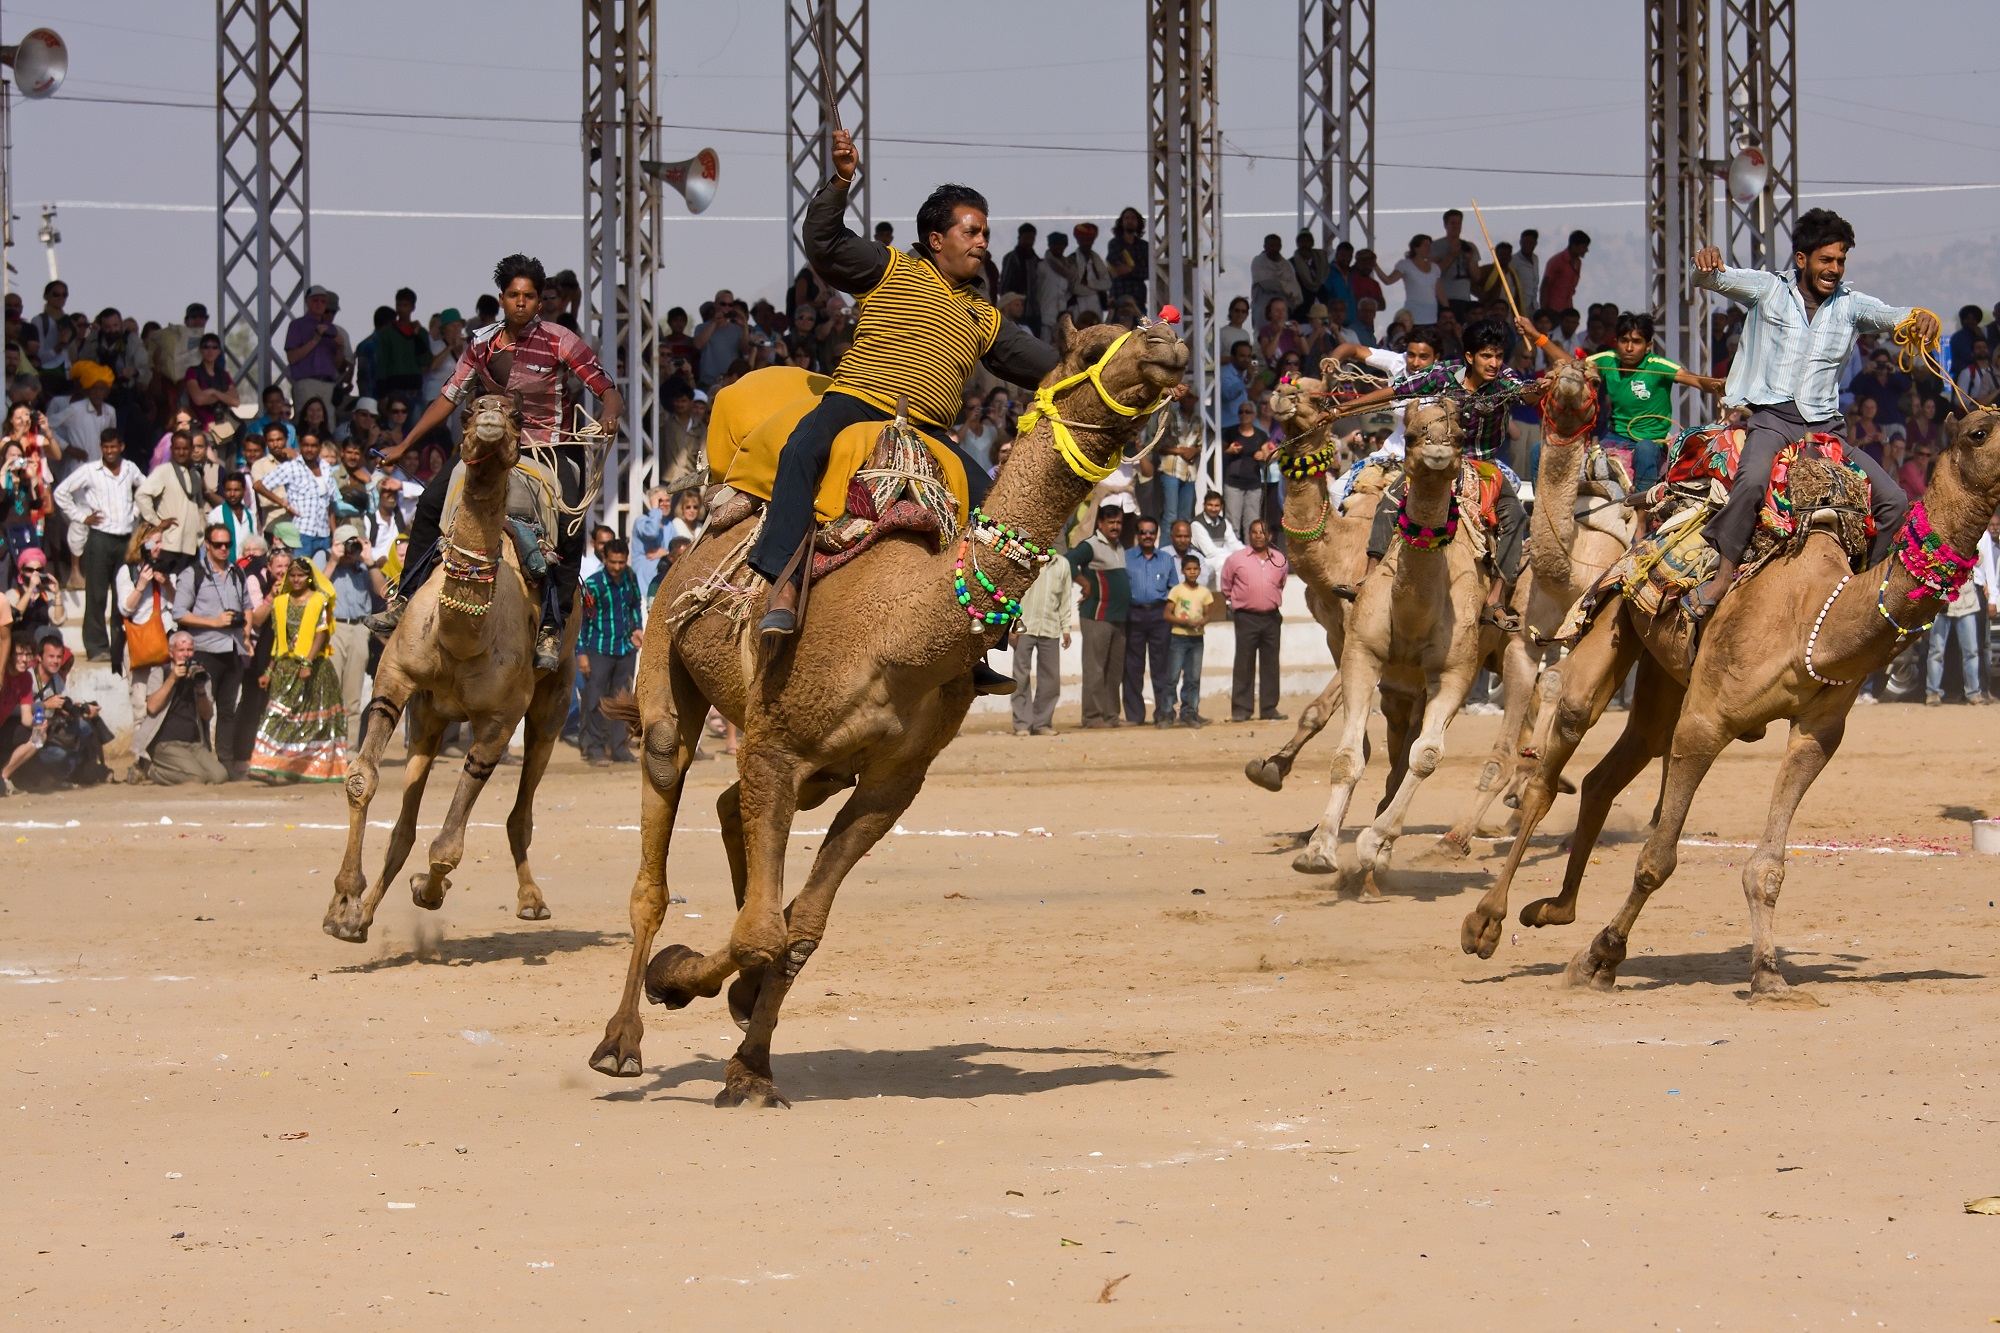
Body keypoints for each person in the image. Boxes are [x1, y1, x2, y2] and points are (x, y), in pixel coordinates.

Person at [749, 129, 1056, 664]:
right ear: (936, 238)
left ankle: (979, 638)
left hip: (930, 434)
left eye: (986, 232)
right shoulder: (889, 265)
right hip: (855, 404)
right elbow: (823, 243)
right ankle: (782, 584)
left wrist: (1120, 366)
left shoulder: (983, 316)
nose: (984, 241)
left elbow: (1050, 367)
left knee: (995, 510)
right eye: (973, 231)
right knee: (803, 447)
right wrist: (842, 179)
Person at [372, 253, 622, 674]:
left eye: (529, 296)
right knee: (432, 502)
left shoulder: (562, 340)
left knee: (571, 527)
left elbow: (606, 388)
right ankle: (405, 598)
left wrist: (610, 415)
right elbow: (449, 396)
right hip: (491, 447)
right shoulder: (481, 344)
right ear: (501, 299)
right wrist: (404, 443)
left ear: (539, 301)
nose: (521, 302)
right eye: (513, 295)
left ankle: (551, 626)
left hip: (552, 447)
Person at [1689, 209, 1933, 617]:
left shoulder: (1852, 307)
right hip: (1772, 421)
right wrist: (1705, 260)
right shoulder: (1768, 289)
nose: (1834, 269)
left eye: (1840, 261)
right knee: (1750, 483)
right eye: (1826, 260)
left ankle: (1865, 592)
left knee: (1893, 500)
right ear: (1801, 260)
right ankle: (1723, 574)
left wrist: (1919, 317)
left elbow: (1896, 318)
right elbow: (1711, 279)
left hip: (1827, 431)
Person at [1331, 317, 1548, 629]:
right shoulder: (1443, 374)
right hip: (1443, 463)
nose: (1494, 363)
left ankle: (1495, 599)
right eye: (1487, 356)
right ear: (1470, 357)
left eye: (1498, 356)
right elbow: (1397, 391)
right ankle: (1368, 577)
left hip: (1485, 468)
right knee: (1389, 500)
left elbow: (1528, 394)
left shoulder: (1506, 380)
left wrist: (1539, 375)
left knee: (1515, 516)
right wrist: (1342, 410)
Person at [1584, 313, 1726, 488]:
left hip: (1651, 442)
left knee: (1645, 449)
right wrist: (1540, 339)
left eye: (1636, 342)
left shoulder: (1658, 365)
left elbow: (1696, 380)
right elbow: (1571, 365)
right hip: (1615, 437)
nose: (1629, 347)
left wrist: (1721, 385)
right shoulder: (1608, 359)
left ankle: (1642, 506)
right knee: (1588, 461)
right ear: (1616, 341)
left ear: (1648, 345)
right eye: (1624, 340)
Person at [247, 554, 345, 783]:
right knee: (275, 714)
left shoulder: (318, 600)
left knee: (312, 722)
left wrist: (308, 662)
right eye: (293, 575)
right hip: (284, 668)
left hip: (313, 668)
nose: (297, 579)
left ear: (309, 577)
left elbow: (322, 633)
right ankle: (263, 765)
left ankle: (306, 768)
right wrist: (269, 671)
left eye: (301, 575)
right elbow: (279, 640)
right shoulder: (281, 602)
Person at [173, 522, 256, 777]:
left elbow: (247, 606)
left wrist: (246, 635)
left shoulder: (237, 573)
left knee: (228, 709)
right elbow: (179, 613)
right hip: (205, 648)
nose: (223, 549)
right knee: (204, 709)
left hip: (232, 648)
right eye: (218, 544)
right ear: (207, 545)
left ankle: (226, 762)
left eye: (227, 545)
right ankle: (205, 761)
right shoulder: (192, 574)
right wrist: (214, 622)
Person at [53, 429, 143, 661]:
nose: (110, 451)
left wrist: (135, 512)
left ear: (121, 446)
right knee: (96, 593)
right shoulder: (90, 471)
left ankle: (119, 644)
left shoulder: (130, 468)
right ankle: (96, 646)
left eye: (113, 447)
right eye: (105, 447)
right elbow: (61, 492)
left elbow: (147, 489)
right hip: (100, 538)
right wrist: (82, 516)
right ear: (101, 447)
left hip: (125, 539)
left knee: (123, 592)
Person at [2, 628, 108, 793]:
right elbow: (16, 712)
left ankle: (4, 778)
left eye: (59, 657)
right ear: (39, 657)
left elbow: (25, 717)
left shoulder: (29, 679)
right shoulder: (9, 675)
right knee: (56, 753)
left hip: (37, 729)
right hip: (9, 727)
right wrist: (45, 705)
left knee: (78, 729)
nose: (23, 660)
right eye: (19, 654)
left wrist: (40, 724)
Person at [128, 630, 228, 786]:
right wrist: (173, 678)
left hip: (194, 743)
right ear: (171, 652)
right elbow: (152, 707)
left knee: (219, 776)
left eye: (189, 650)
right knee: (196, 778)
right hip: (166, 742)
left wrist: (200, 689)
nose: (186, 654)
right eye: (181, 650)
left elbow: (207, 715)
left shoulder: (201, 675)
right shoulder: (160, 672)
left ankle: (175, 769)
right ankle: (151, 770)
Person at [576, 537, 643, 766]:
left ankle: (619, 748)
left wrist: (637, 628)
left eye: (621, 562)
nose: (617, 567)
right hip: (598, 649)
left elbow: (635, 603)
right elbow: (581, 621)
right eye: (613, 562)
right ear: (605, 559)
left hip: (625, 649)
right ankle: (593, 748)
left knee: (621, 702)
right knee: (594, 700)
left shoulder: (630, 577)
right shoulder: (593, 584)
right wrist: (581, 652)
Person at [319, 523, 386, 749]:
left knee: (353, 695)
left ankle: (348, 749)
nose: (350, 550)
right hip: (333, 628)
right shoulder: (325, 562)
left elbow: (383, 591)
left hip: (359, 628)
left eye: (353, 544)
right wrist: (333, 561)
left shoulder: (364, 567)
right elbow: (315, 594)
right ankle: (328, 750)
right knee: (331, 691)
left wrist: (369, 561)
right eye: (346, 544)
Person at [1065, 504, 1131, 729]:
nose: (1115, 526)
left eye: (1119, 522)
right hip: (1097, 615)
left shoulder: (1120, 546)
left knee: (1114, 671)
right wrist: (1083, 583)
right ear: (1100, 523)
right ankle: (1092, 717)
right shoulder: (1090, 545)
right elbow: (1067, 561)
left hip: (1119, 618)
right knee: (1095, 669)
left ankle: (1111, 716)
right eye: (1111, 522)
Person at [1221, 520, 1287, 723]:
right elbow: (1226, 584)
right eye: (1254, 532)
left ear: (1270, 536)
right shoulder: (1236, 559)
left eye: (1263, 532)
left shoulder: (1279, 559)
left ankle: (1269, 708)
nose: (1259, 535)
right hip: (1246, 617)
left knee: (1270, 664)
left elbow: (1281, 584)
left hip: (1271, 618)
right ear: (1249, 535)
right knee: (1244, 663)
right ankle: (1241, 709)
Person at [1123, 516, 1177, 727]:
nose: (1147, 536)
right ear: (1138, 535)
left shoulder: (1166, 559)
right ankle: (1135, 715)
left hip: (1159, 615)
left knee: (1161, 666)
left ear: (1156, 534)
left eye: (1151, 532)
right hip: (1133, 614)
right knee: (1133, 667)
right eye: (1143, 532)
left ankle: (1163, 712)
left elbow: (1174, 588)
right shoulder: (1126, 557)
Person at [1010, 553, 1072, 736]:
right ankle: (1022, 724)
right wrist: (1012, 625)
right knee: (1020, 677)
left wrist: (1066, 628)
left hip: (1051, 627)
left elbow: (1065, 598)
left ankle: (1042, 723)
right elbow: (1014, 594)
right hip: (1024, 627)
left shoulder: (1062, 564)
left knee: (1051, 679)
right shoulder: (1024, 560)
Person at [255, 431, 339, 560]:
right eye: (306, 445)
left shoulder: (326, 467)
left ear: (319, 447)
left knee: (321, 577)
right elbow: (259, 486)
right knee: (300, 574)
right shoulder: (291, 467)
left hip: (324, 534)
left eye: (314, 446)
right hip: (302, 533)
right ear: (300, 446)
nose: (309, 449)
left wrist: (334, 534)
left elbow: (330, 504)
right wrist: (282, 502)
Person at [135, 428, 208, 574]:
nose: (181, 452)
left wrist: (201, 533)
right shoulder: (163, 471)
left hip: (191, 545)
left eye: (185, 449)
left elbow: (199, 508)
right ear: (171, 449)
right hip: (169, 543)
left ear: (191, 449)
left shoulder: (195, 475)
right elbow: (141, 495)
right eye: (177, 449)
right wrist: (157, 522)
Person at [283, 285, 349, 418]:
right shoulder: (297, 325)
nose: (319, 304)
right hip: (307, 382)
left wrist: (341, 347)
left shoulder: (331, 329)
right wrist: (315, 340)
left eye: (323, 301)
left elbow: (337, 364)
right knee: (306, 423)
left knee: (328, 424)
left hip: (328, 384)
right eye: (315, 300)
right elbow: (292, 358)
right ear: (307, 302)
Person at [1164, 552, 1213, 726]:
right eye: (1188, 569)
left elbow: (1208, 614)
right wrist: (1184, 622)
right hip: (1179, 637)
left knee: (1193, 678)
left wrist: (1201, 622)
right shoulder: (1177, 591)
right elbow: (1167, 614)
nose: (1192, 572)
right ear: (1183, 571)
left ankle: (1190, 712)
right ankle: (1167, 713)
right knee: (1172, 677)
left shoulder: (1204, 592)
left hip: (1197, 639)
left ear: (1199, 571)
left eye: (1195, 569)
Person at [1221, 403, 1274, 545]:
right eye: (1241, 412)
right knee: (1232, 522)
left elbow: (1269, 455)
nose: (1244, 414)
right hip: (1233, 483)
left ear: (1254, 415)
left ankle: (1251, 553)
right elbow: (1218, 454)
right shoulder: (1230, 432)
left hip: (1253, 483)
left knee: (1252, 522)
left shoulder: (1260, 435)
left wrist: (1262, 455)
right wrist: (1229, 451)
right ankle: (1232, 553)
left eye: (1247, 412)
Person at [1376, 236, 1443, 327]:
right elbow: (1388, 280)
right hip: (1413, 315)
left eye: (1429, 246)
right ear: (1416, 248)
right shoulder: (1405, 264)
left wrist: (1447, 309)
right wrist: (1375, 265)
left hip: (1432, 315)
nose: (1429, 248)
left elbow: (1440, 292)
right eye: (1425, 245)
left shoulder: (1435, 268)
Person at [5, 548, 65, 638]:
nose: (35, 574)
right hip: (21, 644)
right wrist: (30, 589)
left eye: (39, 570)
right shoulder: (13, 594)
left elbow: (58, 621)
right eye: (29, 570)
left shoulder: (47, 596)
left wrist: (57, 594)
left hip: (41, 643)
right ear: (21, 571)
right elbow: (14, 617)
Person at [1541, 230, 1591, 314]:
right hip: (1553, 309)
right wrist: (1544, 310)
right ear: (1574, 245)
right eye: (1584, 247)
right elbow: (1545, 285)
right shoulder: (1557, 261)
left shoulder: (1578, 263)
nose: (1586, 250)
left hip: (1567, 309)